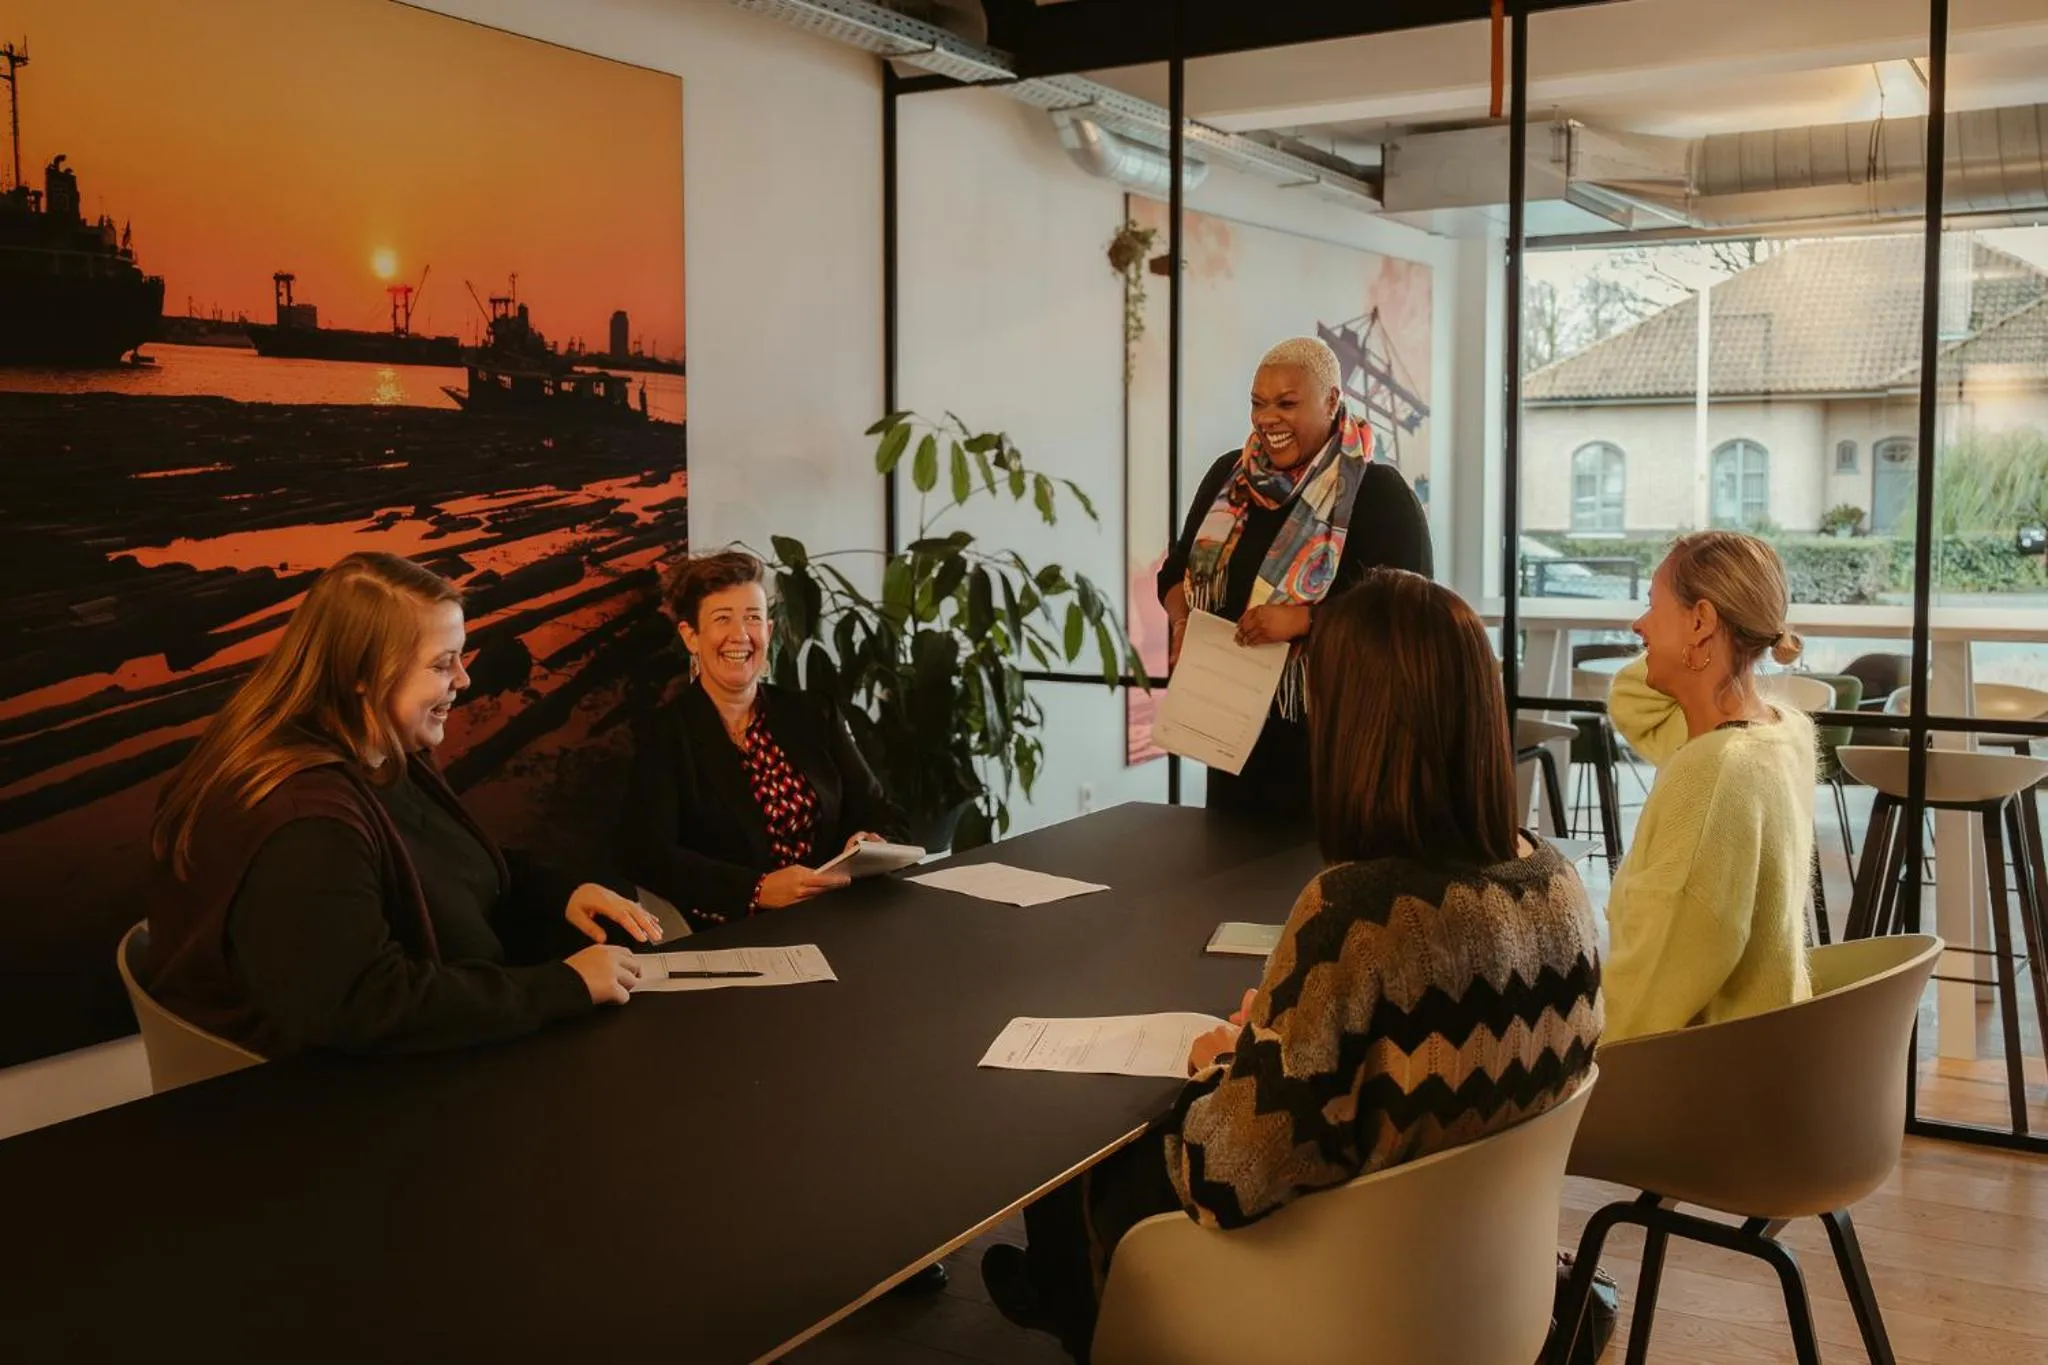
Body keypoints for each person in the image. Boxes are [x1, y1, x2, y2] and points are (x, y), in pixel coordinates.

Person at [983, 569, 1604, 1359]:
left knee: (1099, 1143)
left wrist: (1221, 1065)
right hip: (1484, 1286)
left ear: (1364, 725)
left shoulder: (1358, 914)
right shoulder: (1557, 882)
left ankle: (1075, 1303)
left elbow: (1224, 1176)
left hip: (1342, 1293)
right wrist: (1286, 1039)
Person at [147, 553, 656, 1058]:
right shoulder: (305, 824)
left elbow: (449, 859)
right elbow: (364, 1006)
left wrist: (560, 893)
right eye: (441, 664)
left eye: (460, 657)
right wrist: (562, 987)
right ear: (363, 673)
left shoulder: (379, 750)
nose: (464, 679)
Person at [1157, 336, 1432, 820]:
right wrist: (1182, 622)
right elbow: (1176, 572)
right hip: (1235, 735)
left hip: (1340, 742)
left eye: (1286, 403)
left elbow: (1413, 618)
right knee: (1229, 882)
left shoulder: (1380, 493)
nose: (1267, 419)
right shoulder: (1231, 478)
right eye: (1258, 404)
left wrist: (1306, 621)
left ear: (1332, 402)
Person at [616, 549, 908, 933]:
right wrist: (757, 889)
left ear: (768, 630)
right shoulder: (666, 734)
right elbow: (648, 855)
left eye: (753, 618)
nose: (741, 635)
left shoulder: (814, 714)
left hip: (836, 916)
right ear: (691, 636)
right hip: (735, 929)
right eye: (723, 619)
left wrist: (870, 840)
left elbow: (880, 810)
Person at [1602, 530, 1816, 1041]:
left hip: (1700, 1083)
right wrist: (1699, 654)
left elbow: (1646, 1000)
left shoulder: (1714, 773)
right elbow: (1633, 699)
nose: (1638, 624)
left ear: (1700, 620)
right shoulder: (1784, 733)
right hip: (1771, 1051)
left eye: (1652, 605)